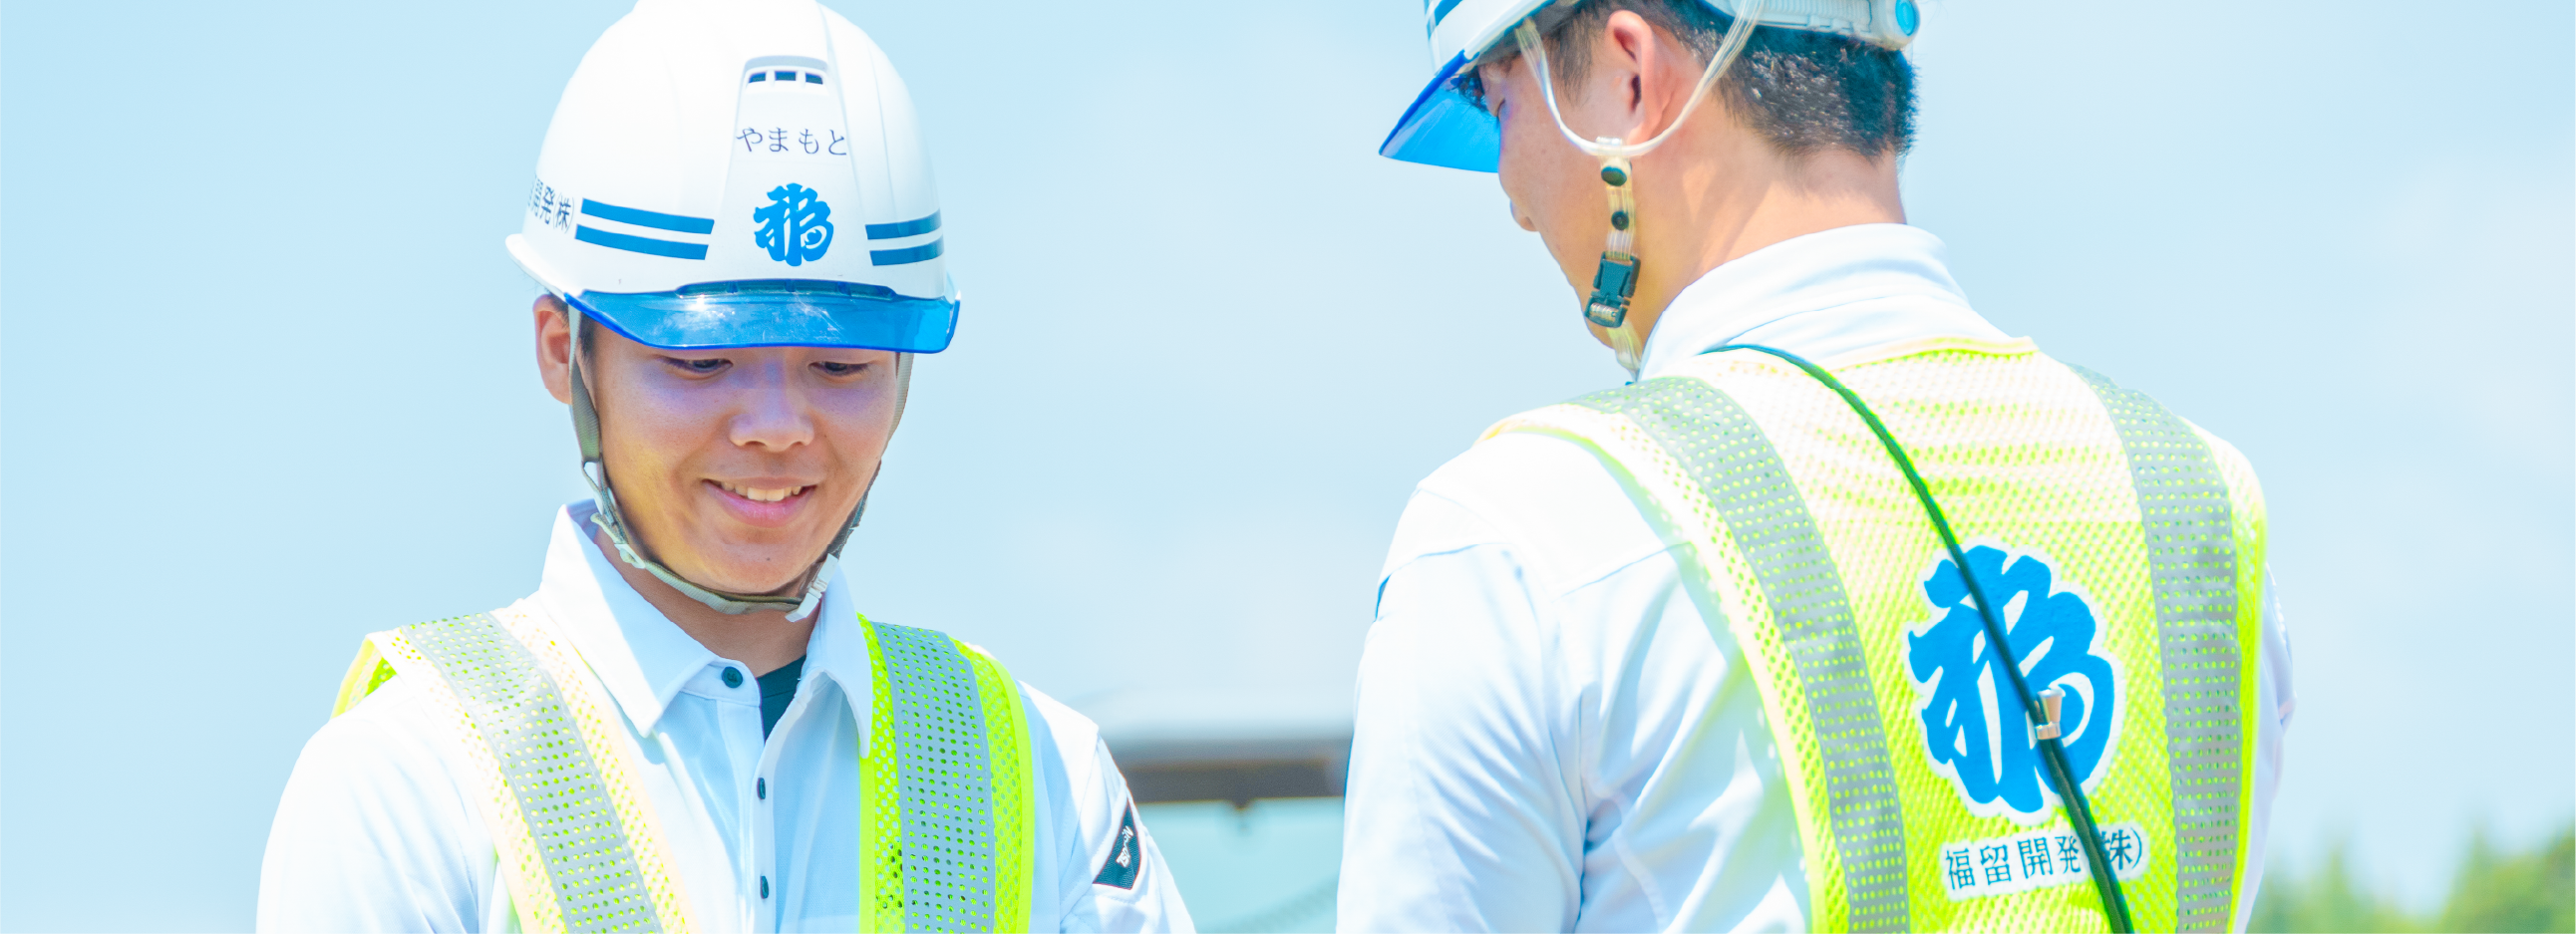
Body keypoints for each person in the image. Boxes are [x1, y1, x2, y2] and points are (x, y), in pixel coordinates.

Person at [1341, 1, 2293, 932]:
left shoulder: (1520, 544)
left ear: (1630, 76)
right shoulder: (2197, 499)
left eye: (1499, 102)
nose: (1513, 200)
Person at [254, 2, 1190, 932]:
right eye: (702, 360)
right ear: (563, 350)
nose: (777, 427)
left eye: (840, 363)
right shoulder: (408, 787)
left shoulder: (1045, 778)